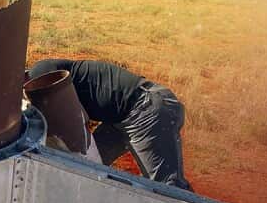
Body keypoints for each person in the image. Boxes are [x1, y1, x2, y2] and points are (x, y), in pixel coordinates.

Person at [26, 58, 192, 190]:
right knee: (85, 170)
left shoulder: (41, 75)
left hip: (145, 109)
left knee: (167, 189)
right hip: (120, 117)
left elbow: (77, 128)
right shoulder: (38, 75)